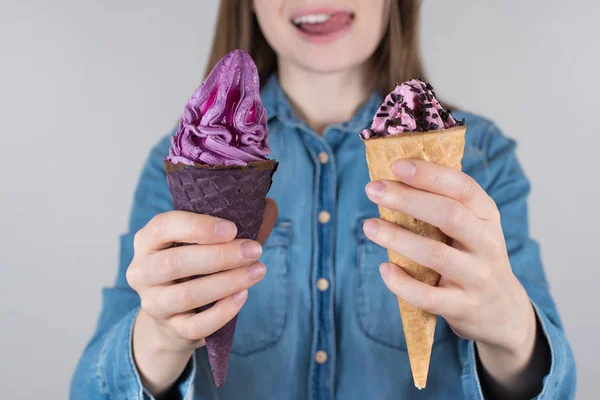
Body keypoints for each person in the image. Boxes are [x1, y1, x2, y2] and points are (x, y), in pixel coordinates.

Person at [71, 1, 576, 399]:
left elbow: (558, 389)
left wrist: (511, 331)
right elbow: (91, 392)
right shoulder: (182, 163)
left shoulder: (482, 159)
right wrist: (158, 337)